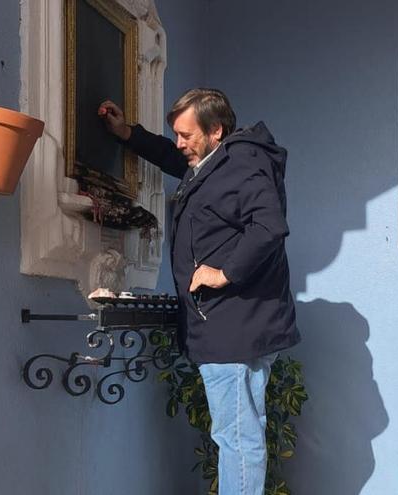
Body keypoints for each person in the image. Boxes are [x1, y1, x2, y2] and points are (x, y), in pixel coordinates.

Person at [98, 89, 300, 495]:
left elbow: (269, 227)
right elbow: (177, 160)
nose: (180, 143)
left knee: (236, 438)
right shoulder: (218, 161)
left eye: (186, 135)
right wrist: (128, 134)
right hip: (234, 324)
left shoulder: (242, 164)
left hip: (232, 326)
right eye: (177, 133)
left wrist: (223, 273)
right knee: (240, 433)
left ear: (216, 131)